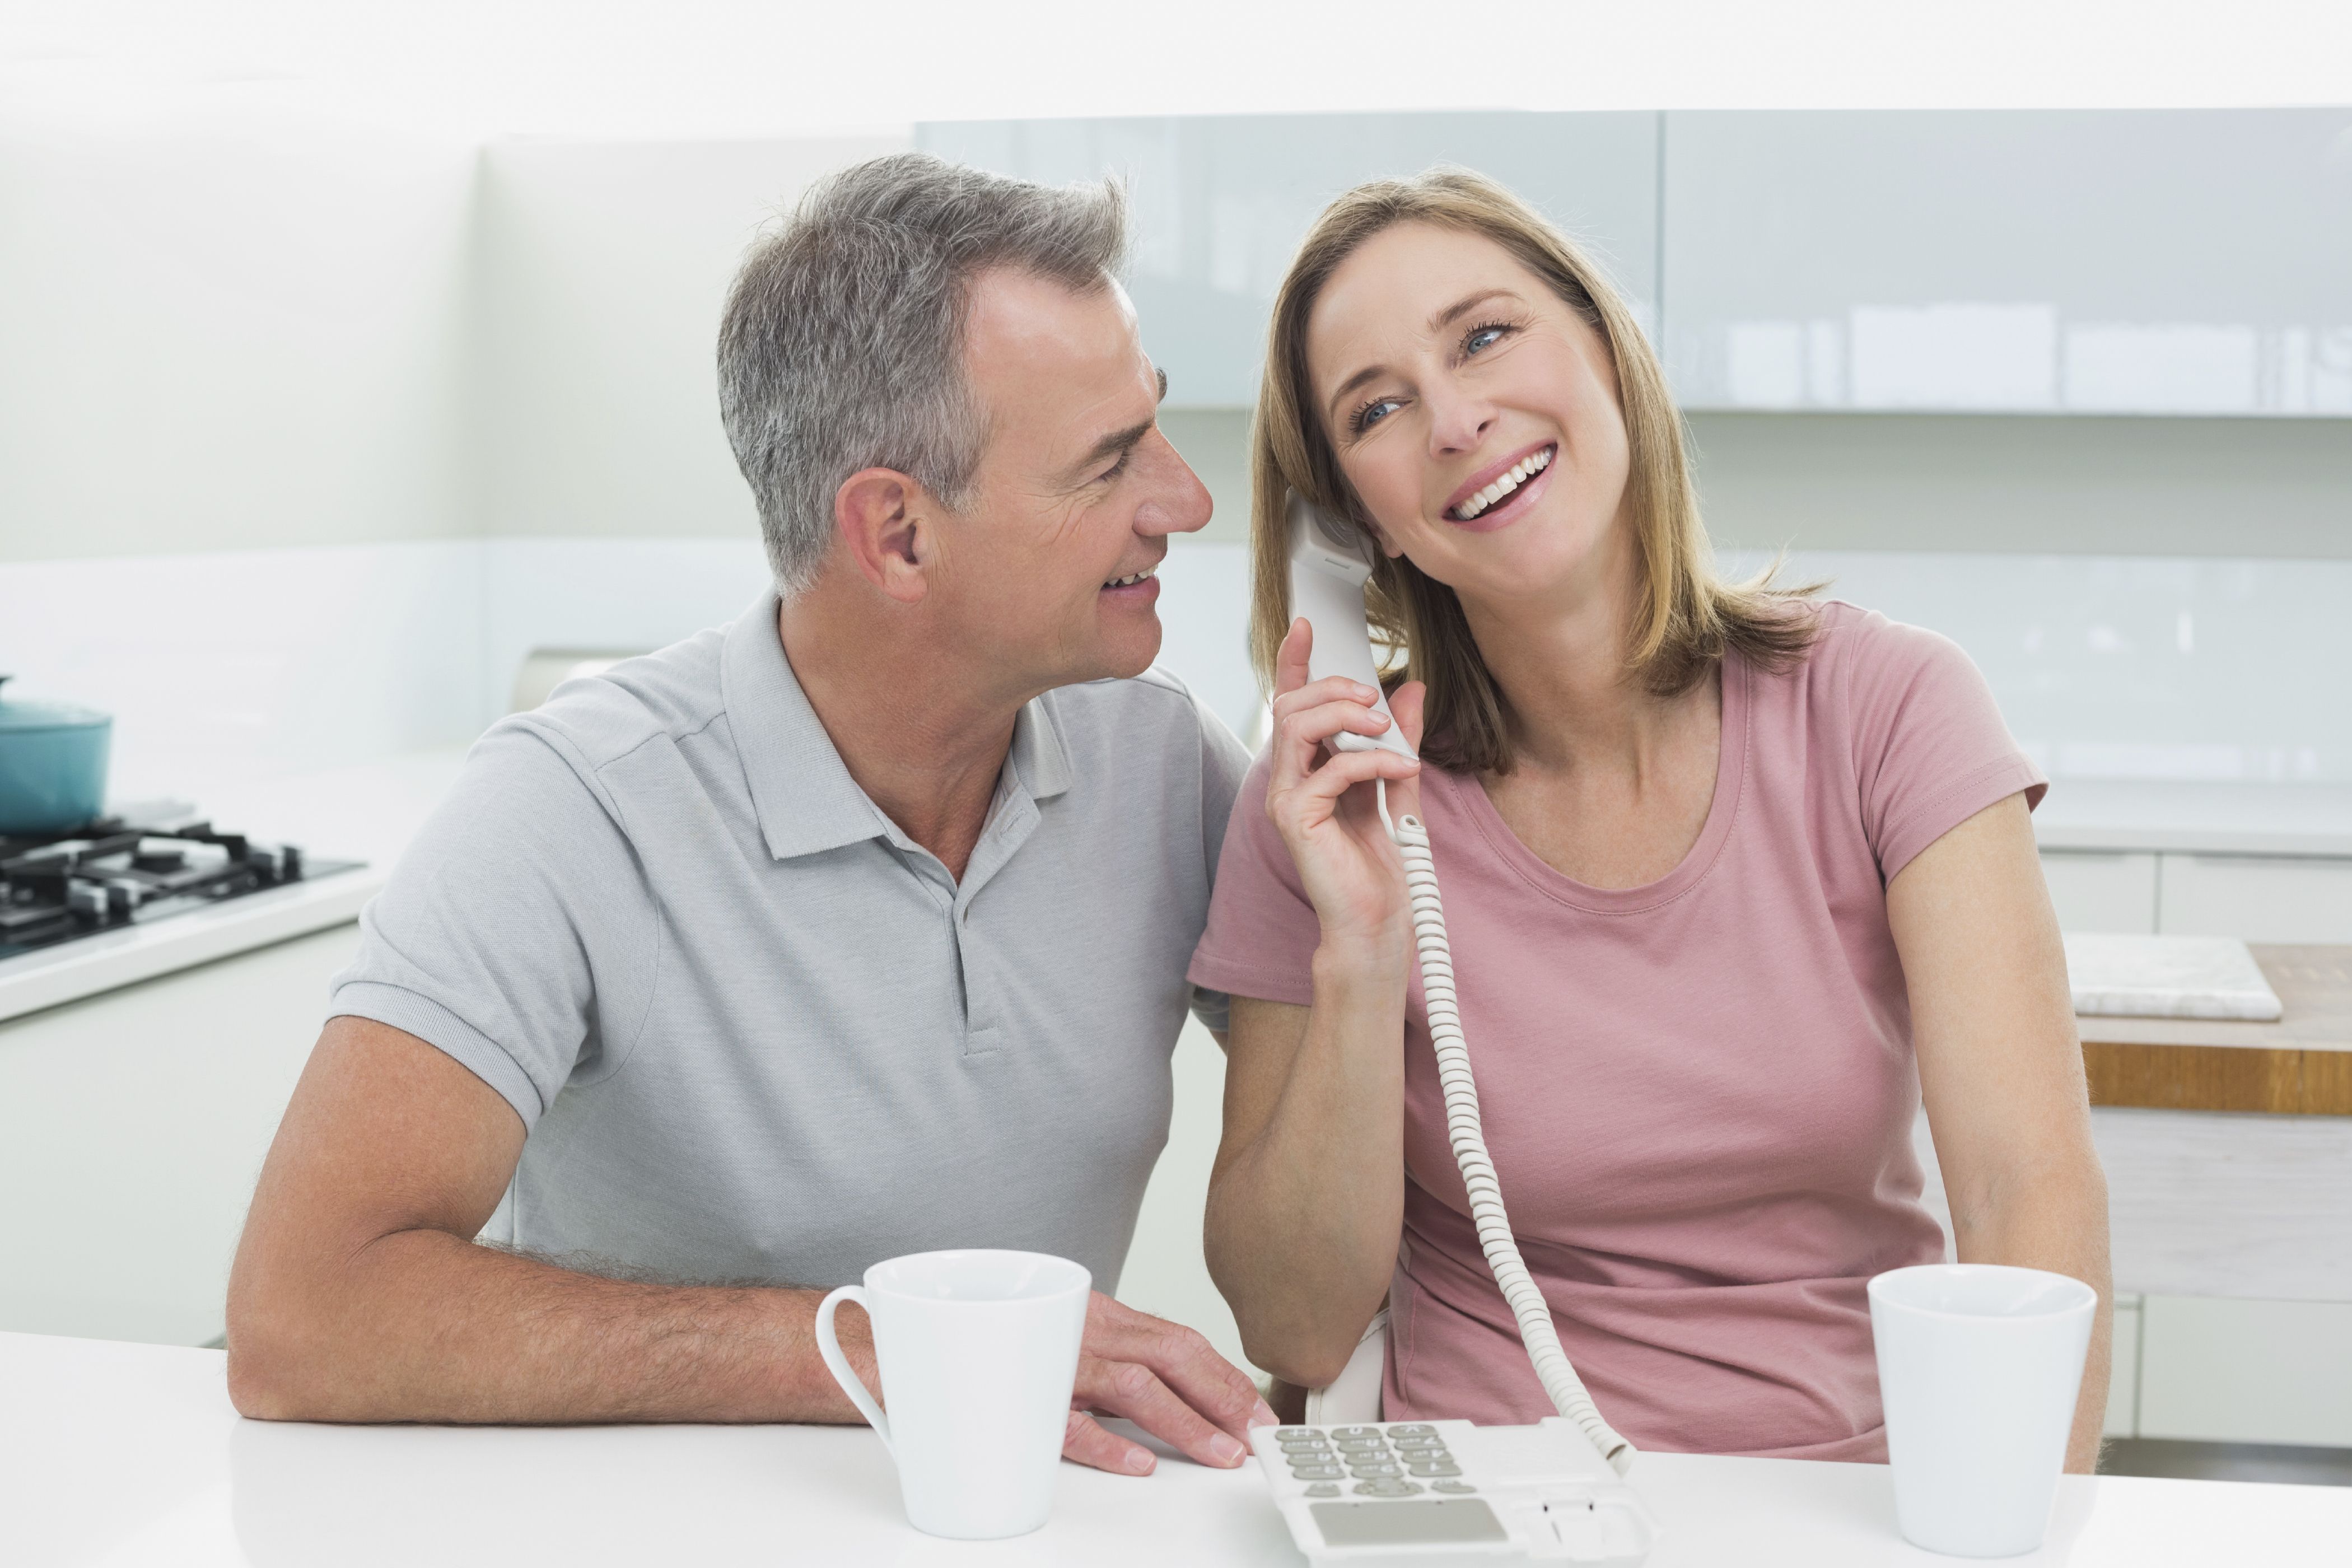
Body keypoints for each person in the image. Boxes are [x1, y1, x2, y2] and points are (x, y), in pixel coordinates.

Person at [227, 153, 1275, 1477]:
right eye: (1111, 459)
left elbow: (1404, 1129)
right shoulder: (573, 808)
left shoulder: (1166, 759)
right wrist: (863, 1349)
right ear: (895, 535)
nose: (1185, 500)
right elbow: (303, 1313)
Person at [1192, 169, 2113, 1466]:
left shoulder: (1891, 709)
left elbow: (2031, 1196)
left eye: (1487, 334)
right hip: (1490, 1500)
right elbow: (1293, 1325)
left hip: (1847, 1493)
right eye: (1380, 407)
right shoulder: (1332, 803)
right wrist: (1361, 956)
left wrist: (2027, 1527)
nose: (1455, 417)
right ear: (1357, 522)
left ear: (1607, 353)